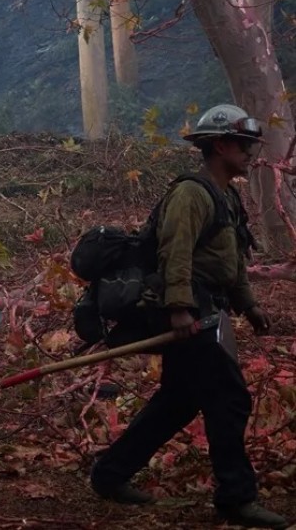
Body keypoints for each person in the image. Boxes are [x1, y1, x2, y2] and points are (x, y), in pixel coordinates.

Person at [89, 105, 287, 529]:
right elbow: (173, 253)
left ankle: (110, 474)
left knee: (177, 401)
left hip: (206, 306)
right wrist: (179, 308)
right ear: (219, 145)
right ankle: (236, 496)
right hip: (188, 310)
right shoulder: (191, 194)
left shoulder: (225, 195)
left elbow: (230, 260)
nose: (251, 152)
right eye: (243, 144)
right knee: (229, 399)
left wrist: (248, 304)